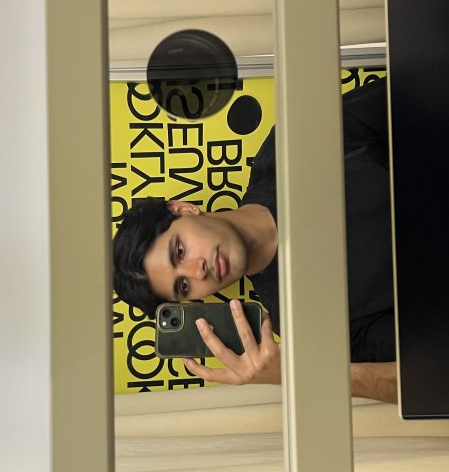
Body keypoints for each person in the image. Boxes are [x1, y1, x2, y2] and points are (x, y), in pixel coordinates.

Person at [113, 77, 398, 403]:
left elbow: (415, 91)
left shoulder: (288, 150)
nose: (198, 271)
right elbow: (431, 376)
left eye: (179, 251)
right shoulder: (301, 321)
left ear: (183, 209)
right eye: (184, 286)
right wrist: (295, 374)